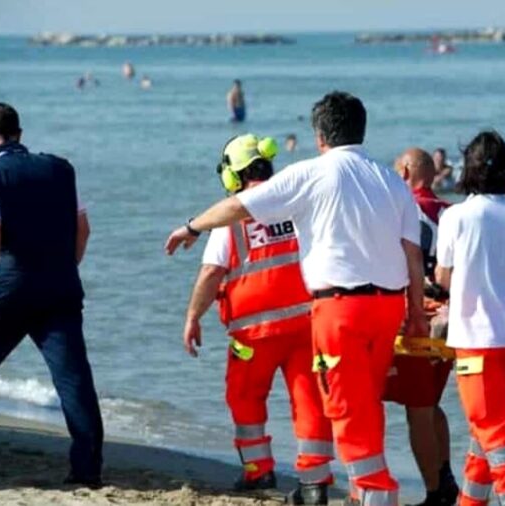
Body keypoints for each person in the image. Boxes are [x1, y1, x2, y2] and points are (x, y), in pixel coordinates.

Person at [165, 91, 428, 506]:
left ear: (320, 136)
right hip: (386, 307)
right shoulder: (391, 181)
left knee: (343, 407)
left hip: (335, 311)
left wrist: (191, 226)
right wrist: (416, 313)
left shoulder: (310, 175)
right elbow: (412, 254)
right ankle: (349, 488)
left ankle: (375, 493)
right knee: (362, 400)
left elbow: (235, 211)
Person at [0, 103, 104, 487]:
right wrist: (67, 268)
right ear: (20, 134)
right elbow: (84, 228)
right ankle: (87, 470)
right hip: (61, 285)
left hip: (12, 288)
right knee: (74, 379)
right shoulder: (61, 169)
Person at [183, 134, 334, 503]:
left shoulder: (231, 216)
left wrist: (192, 317)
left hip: (252, 336)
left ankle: (259, 472)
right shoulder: (296, 205)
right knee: (310, 401)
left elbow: (210, 273)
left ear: (233, 177)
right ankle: (315, 482)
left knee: (246, 398)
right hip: (305, 325)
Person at [434, 131, 505, 506]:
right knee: (492, 434)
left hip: (476, 343)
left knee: (496, 436)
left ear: (467, 167)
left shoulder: (456, 216)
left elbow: (443, 278)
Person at [387, 148, 458, 506]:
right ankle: (444, 478)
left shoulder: (400, 210)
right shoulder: (451, 212)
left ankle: (435, 493)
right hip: (450, 320)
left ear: (405, 172)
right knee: (430, 402)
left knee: (417, 407)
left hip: (417, 319)